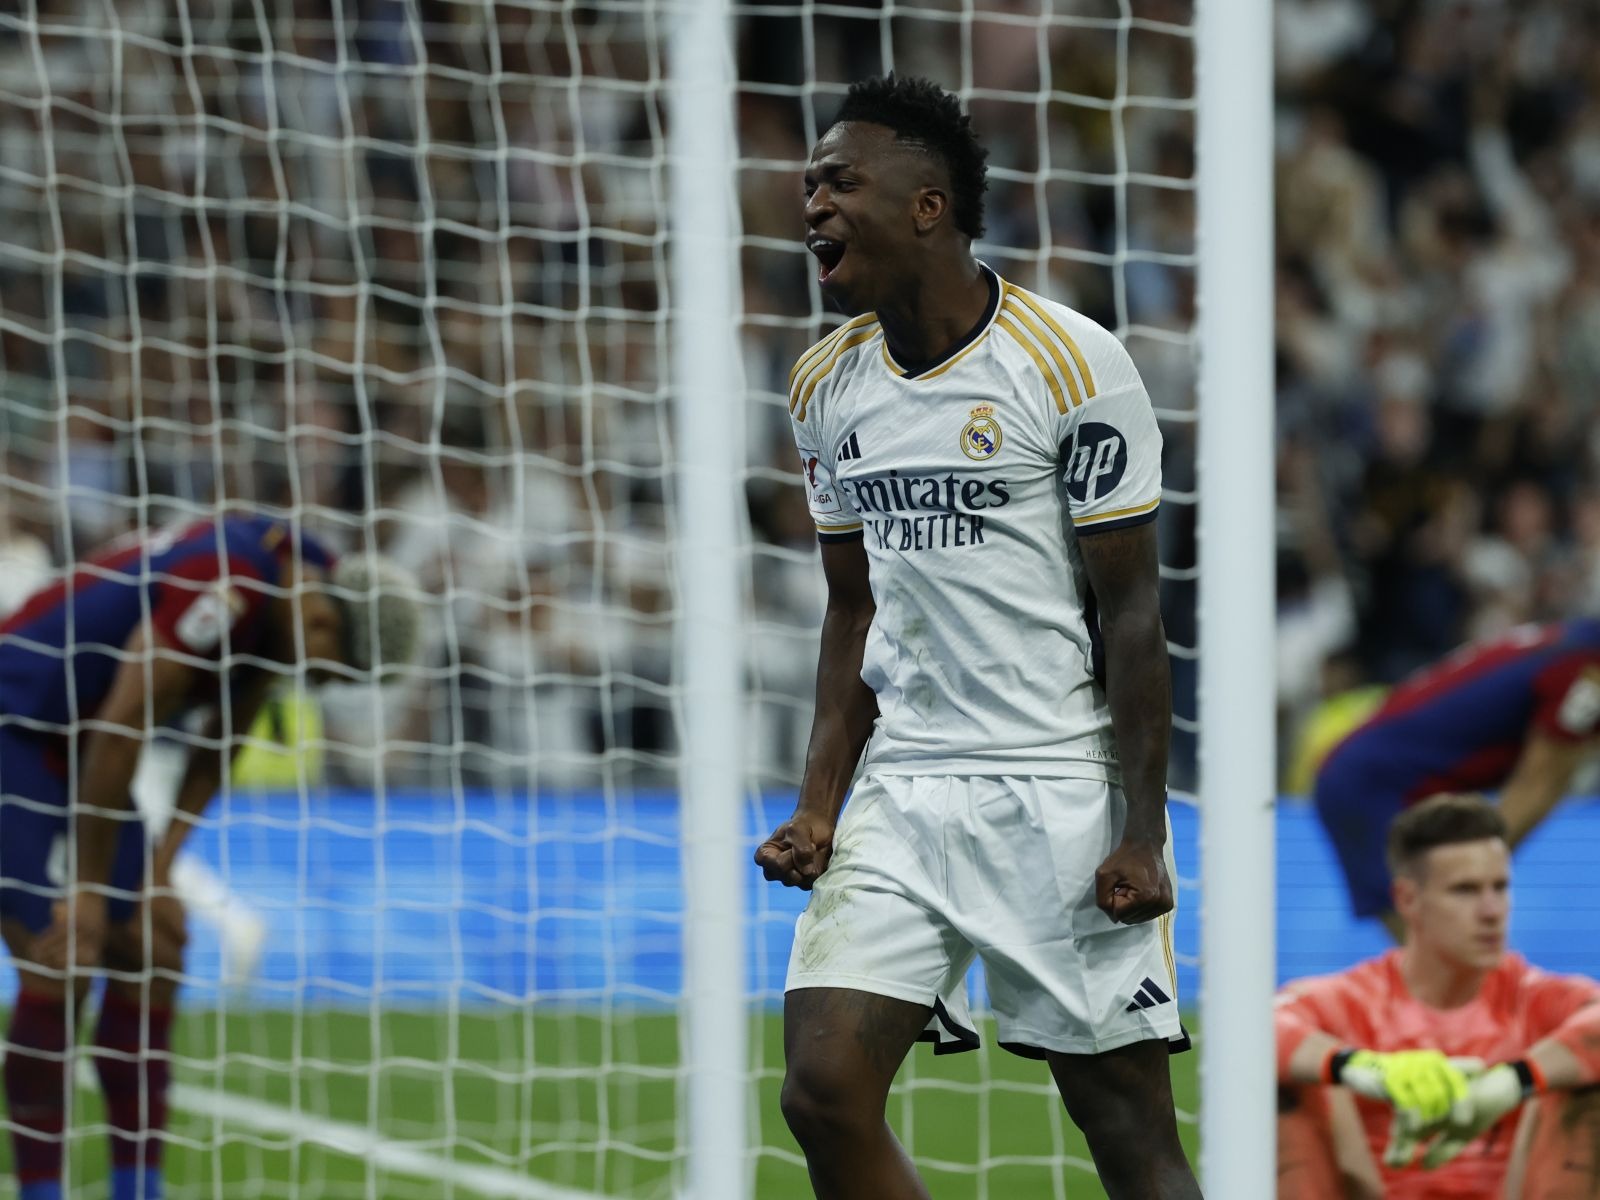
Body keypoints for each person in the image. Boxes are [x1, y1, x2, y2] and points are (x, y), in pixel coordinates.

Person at [753, 75, 1200, 1200]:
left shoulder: (1070, 363)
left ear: (927, 205)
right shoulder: (823, 385)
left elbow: (1133, 615)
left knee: (1124, 1128)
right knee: (820, 1092)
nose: (812, 200)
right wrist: (819, 803)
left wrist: (1141, 831)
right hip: (905, 788)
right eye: (808, 181)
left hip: (1056, 786)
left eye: (839, 180)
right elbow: (851, 610)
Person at [0, 513, 420, 1200]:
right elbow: (123, 725)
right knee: (63, 950)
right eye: (325, 670)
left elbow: (224, 737)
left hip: (75, 746)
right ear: (320, 622)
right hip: (15, 725)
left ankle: (139, 1187)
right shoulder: (223, 586)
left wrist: (162, 869)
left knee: (157, 944)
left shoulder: (290, 583)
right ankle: (42, 1190)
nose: (313, 682)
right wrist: (87, 891)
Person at [1275, 794, 1600, 1199]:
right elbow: (1257, 1028)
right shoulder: (1352, 1000)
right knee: (1284, 1082)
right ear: (1408, 899)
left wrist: (1514, 1081)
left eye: (1500, 887)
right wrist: (1362, 1068)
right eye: (1465, 890)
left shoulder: (1539, 997)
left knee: (1587, 1083)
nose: (1492, 910)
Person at [1315, 619, 1600, 927]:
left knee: (1449, 954)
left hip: (1373, 772)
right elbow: (1538, 785)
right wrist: (1477, 872)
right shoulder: (1584, 670)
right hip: (1380, 786)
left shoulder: (1567, 642)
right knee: (1450, 951)